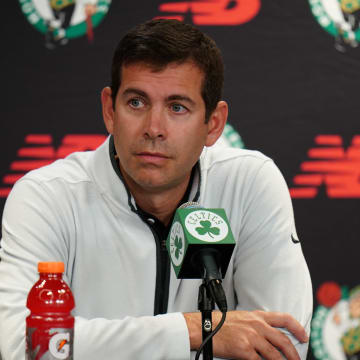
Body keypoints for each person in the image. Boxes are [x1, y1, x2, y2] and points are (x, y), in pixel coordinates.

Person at [0, 19, 312, 360]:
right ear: (109, 109)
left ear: (213, 124)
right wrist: (193, 330)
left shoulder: (250, 185)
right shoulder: (46, 198)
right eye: (136, 102)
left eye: (177, 107)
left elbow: (283, 343)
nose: (153, 128)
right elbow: (22, 346)